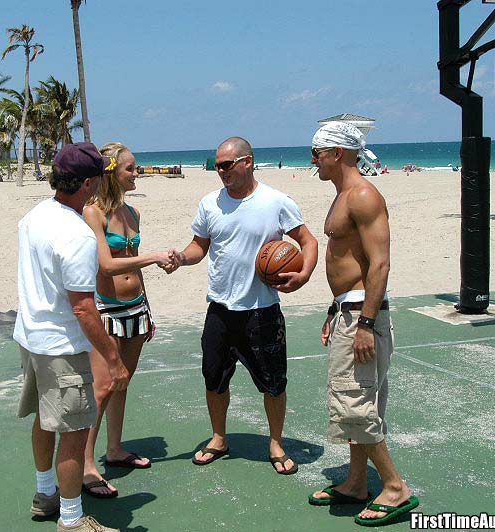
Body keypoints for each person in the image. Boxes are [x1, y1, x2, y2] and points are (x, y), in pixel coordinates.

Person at [164, 136, 318, 475]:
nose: (220, 171)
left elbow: (307, 241)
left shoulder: (276, 201)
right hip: (219, 310)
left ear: (247, 162)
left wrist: (303, 275)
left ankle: (276, 443)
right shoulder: (210, 203)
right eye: (217, 165)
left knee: (274, 382)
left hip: (262, 312)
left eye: (227, 164)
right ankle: (219, 438)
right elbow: (198, 246)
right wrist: (181, 259)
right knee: (214, 379)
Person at [14, 142, 130, 532]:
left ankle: (45, 493)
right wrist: (112, 358)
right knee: (74, 432)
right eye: (99, 174)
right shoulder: (76, 235)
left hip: (30, 338)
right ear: (87, 183)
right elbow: (83, 307)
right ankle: (71, 519)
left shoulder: (33, 216)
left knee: (46, 421)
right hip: (60, 346)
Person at [307, 122, 418, 526]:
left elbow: (380, 263)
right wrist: (335, 310)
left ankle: (394, 487)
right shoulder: (343, 196)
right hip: (349, 311)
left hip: (363, 318)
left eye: (317, 151)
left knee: (352, 404)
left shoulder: (364, 195)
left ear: (338, 153)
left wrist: (366, 323)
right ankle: (356, 482)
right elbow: (347, 265)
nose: (313, 158)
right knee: (359, 400)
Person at [79, 142, 172, 497]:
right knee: (101, 389)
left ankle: (114, 450)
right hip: (107, 309)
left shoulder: (132, 212)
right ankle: (87, 466)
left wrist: (148, 309)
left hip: (135, 309)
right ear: (111, 172)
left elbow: (131, 260)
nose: (137, 173)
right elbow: (106, 264)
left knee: (123, 382)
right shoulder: (93, 213)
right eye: (130, 168)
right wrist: (152, 257)